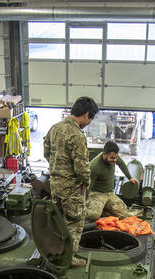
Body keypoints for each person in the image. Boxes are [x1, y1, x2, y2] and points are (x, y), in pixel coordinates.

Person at [43, 96, 98, 268]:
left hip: (55, 185)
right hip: (72, 189)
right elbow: (82, 166)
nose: (89, 122)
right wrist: (85, 182)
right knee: (74, 222)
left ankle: (56, 252)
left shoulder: (55, 128)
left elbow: (46, 152)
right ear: (86, 114)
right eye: (90, 118)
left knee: (58, 221)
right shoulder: (77, 135)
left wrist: (57, 169)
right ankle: (68, 258)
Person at [85, 141, 137, 220]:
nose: (115, 160)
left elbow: (121, 164)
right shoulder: (94, 167)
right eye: (112, 158)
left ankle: (104, 209)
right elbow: (88, 187)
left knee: (124, 214)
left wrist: (130, 177)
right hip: (97, 193)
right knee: (94, 215)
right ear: (104, 155)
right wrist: (84, 202)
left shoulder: (114, 157)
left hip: (109, 193)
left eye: (116, 157)